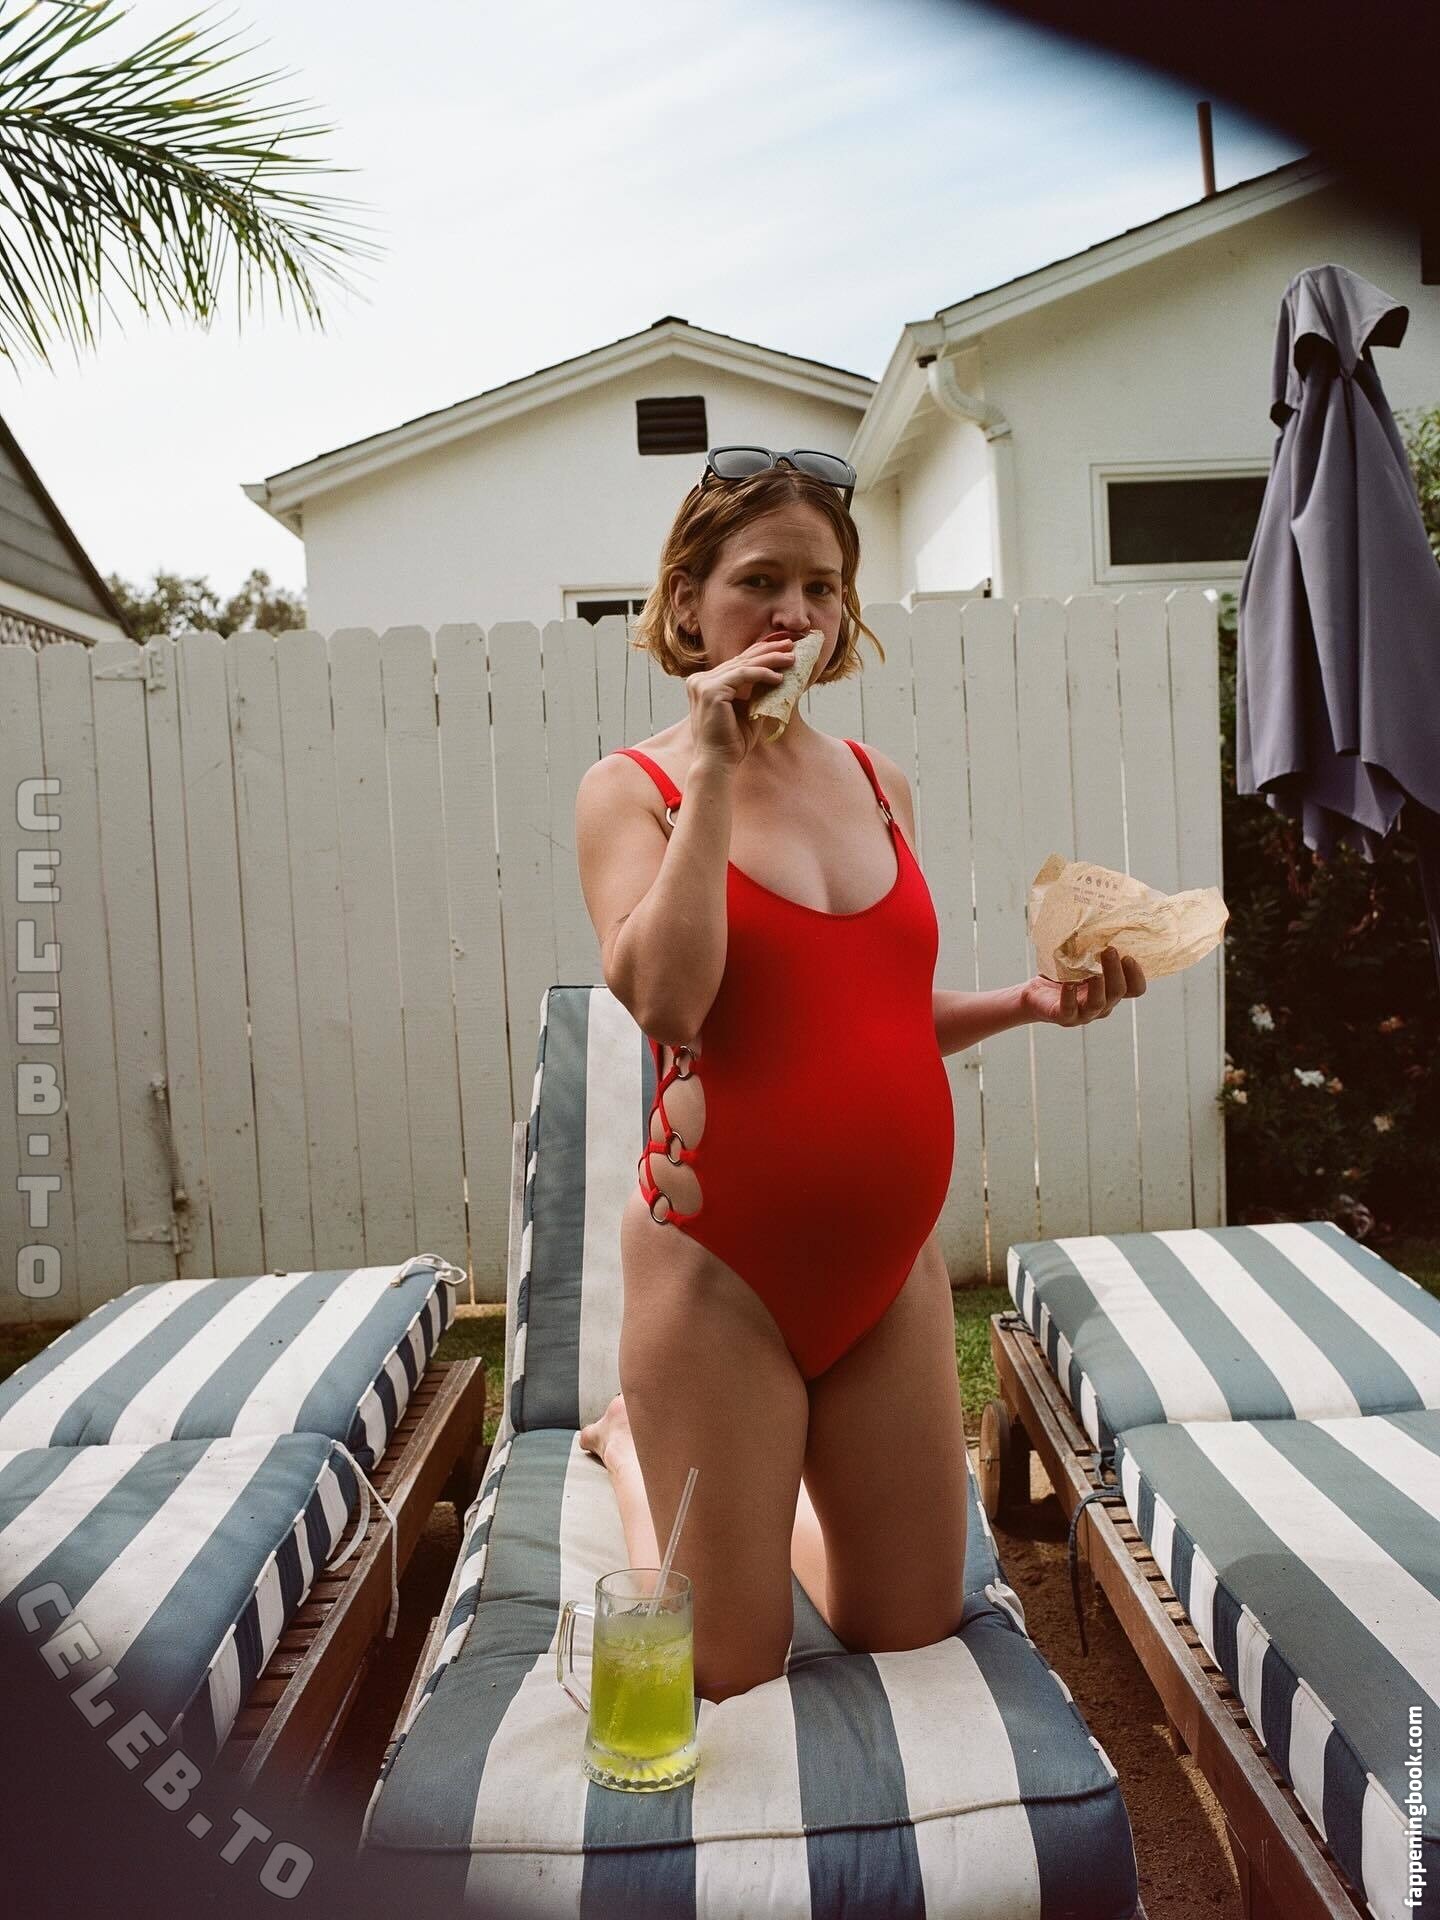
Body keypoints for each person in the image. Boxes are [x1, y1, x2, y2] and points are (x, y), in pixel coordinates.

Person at [572, 447, 1146, 1703]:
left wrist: (1025, 1003)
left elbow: (870, 1018)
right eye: (760, 581)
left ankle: (734, 1495)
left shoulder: (879, 784)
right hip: (720, 1271)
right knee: (727, 1665)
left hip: (889, 1270)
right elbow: (670, 999)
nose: (795, 613)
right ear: (687, 603)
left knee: (908, 1621)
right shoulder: (633, 790)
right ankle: (628, 1449)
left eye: (822, 588)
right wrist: (714, 766)